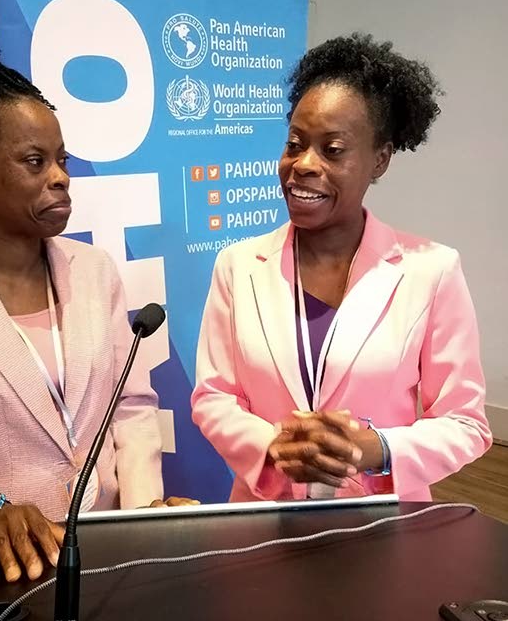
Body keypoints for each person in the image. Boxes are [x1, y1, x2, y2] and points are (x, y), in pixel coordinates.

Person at [0, 45, 194, 595]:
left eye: (62, 160)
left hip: (108, 564)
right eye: (34, 161)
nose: (60, 178)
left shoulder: (95, 271)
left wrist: (142, 514)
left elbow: (131, 406)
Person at [191, 33, 492, 503]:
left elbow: (465, 422)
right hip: (265, 517)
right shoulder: (238, 266)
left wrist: (377, 449)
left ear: (380, 160)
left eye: (332, 149)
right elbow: (213, 396)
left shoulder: (431, 271)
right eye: (294, 144)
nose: (303, 165)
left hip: (382, 522)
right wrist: (273, 446)